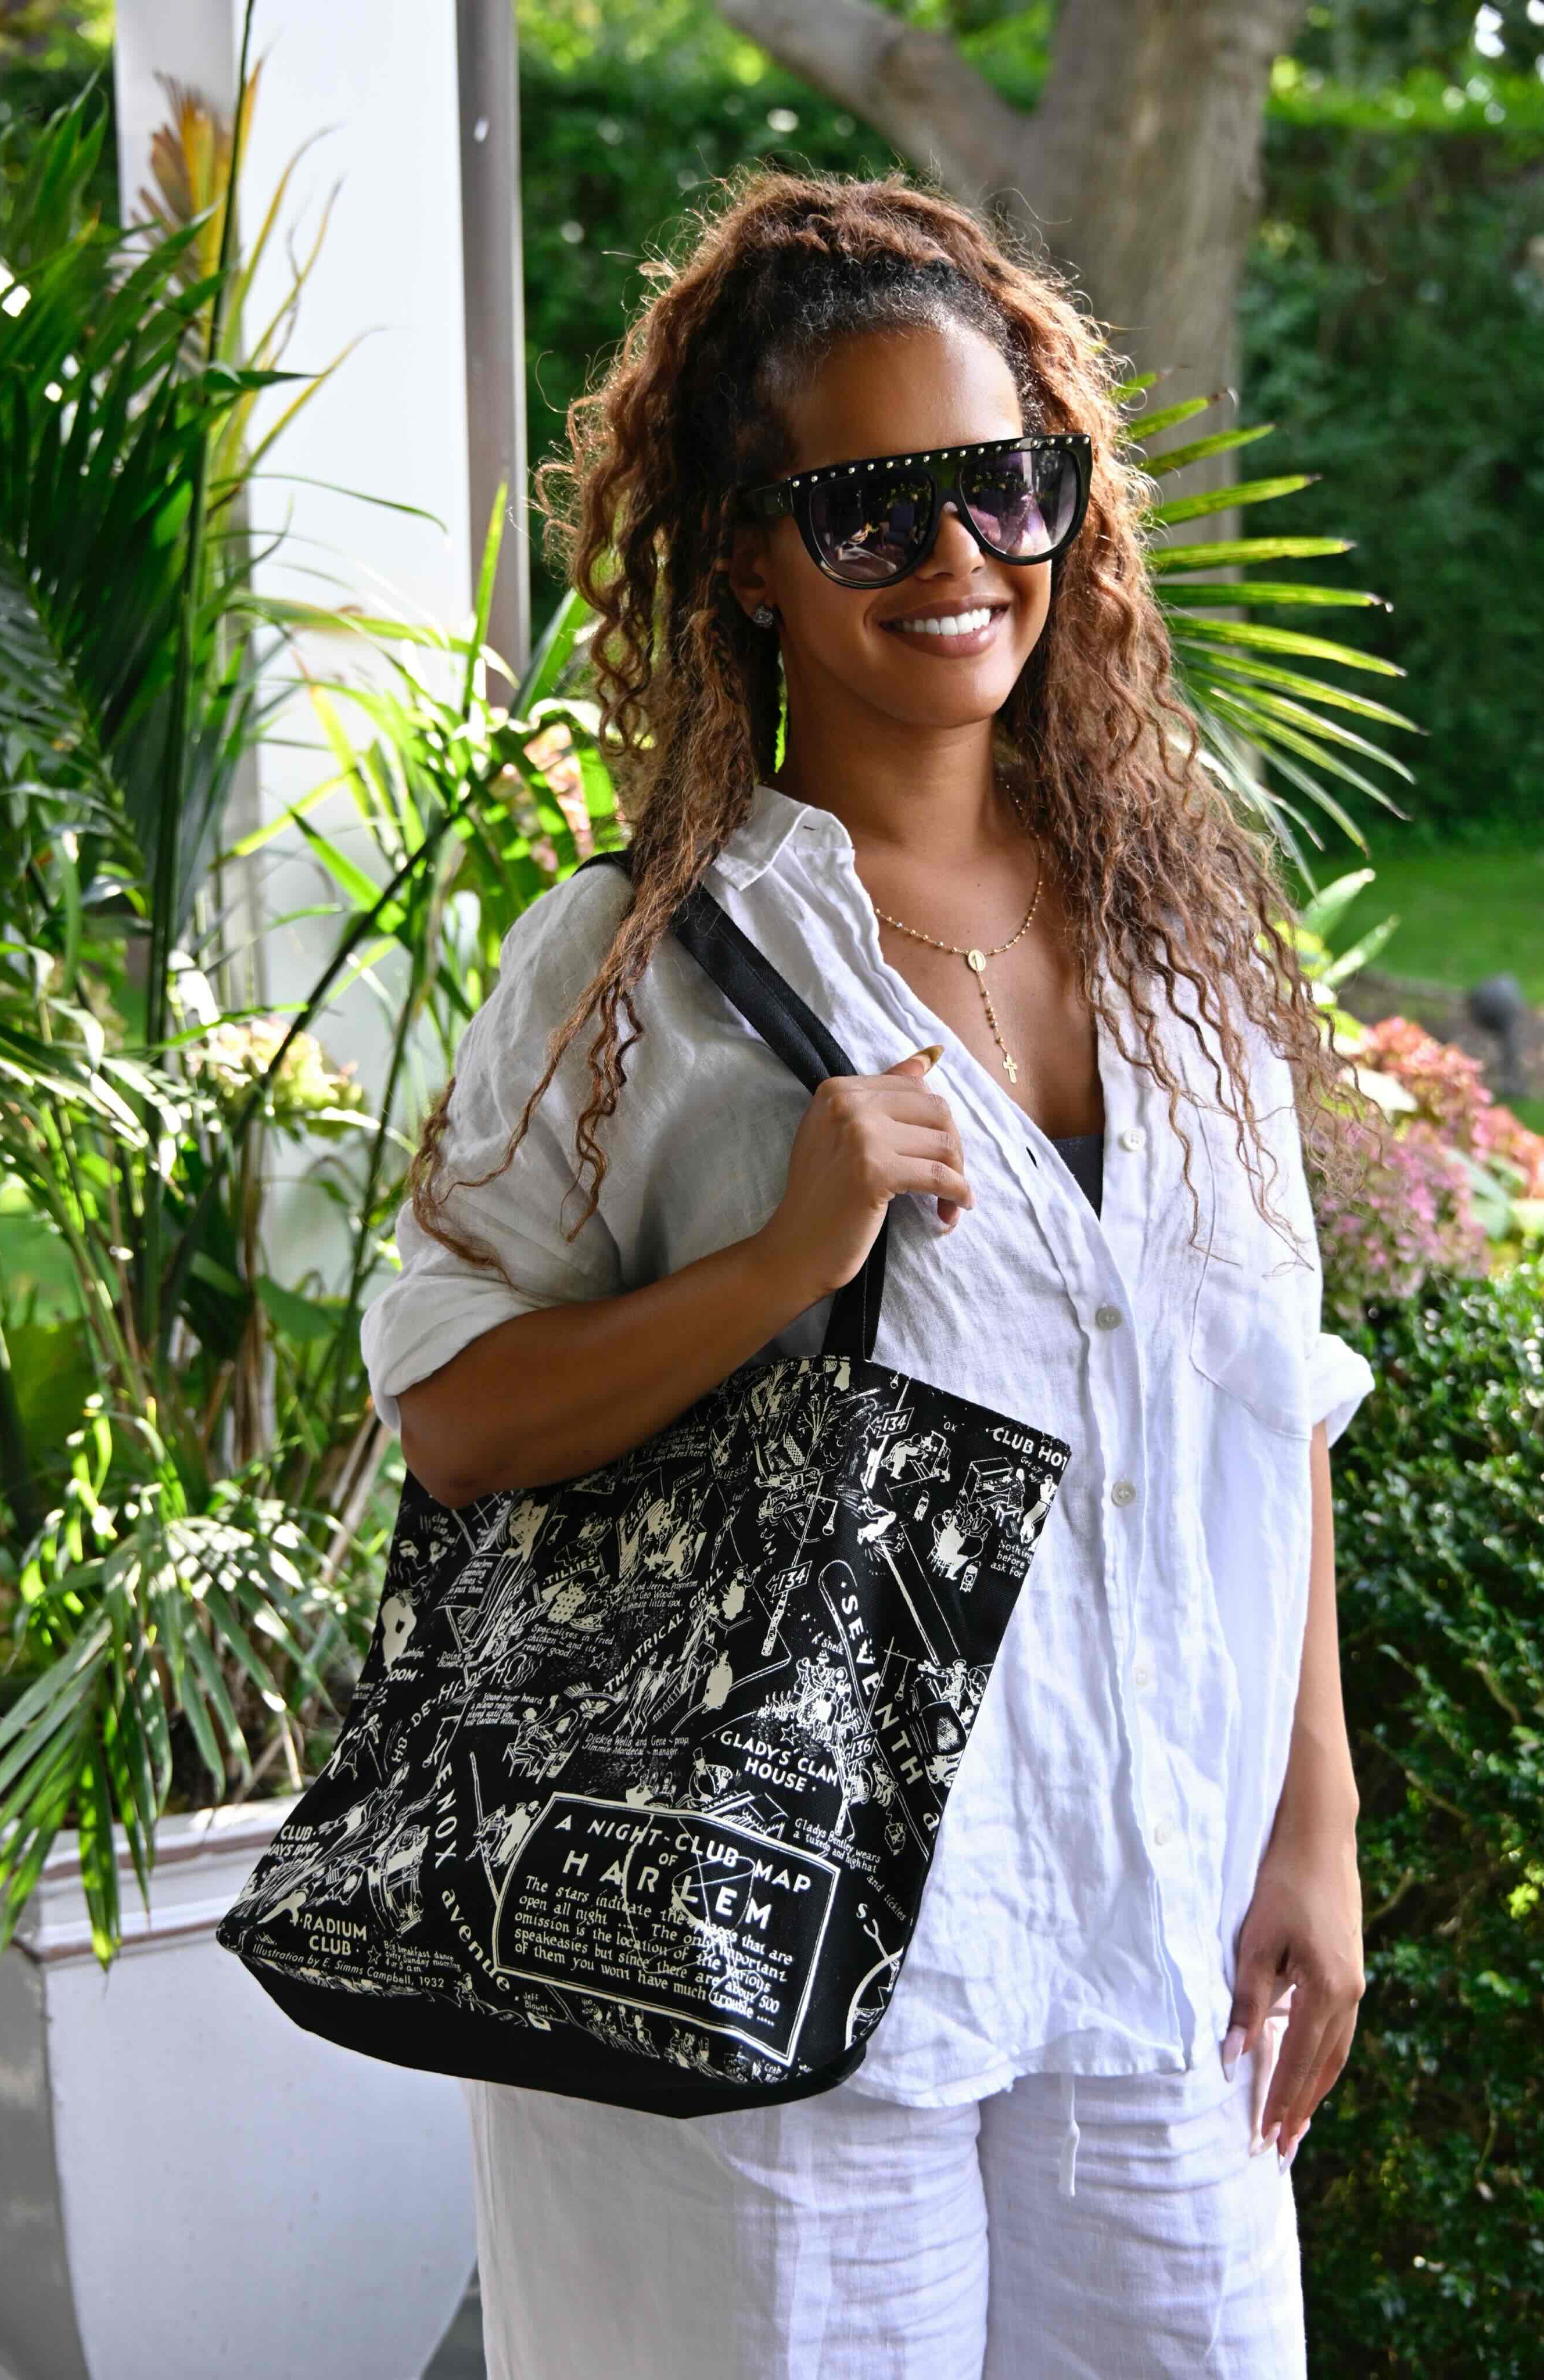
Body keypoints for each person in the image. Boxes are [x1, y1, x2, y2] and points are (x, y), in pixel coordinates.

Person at [362, 164, 1374, 2380]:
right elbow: (449, 1417)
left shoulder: (1182, 946)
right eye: (868, 513)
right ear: (742, 552)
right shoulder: (635, 963)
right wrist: (779, 1257)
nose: (958, 561)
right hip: (771, 1961)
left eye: (1005, 489)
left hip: (1148, 1926)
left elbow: (1261, 1399)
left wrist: (1315, 1819)